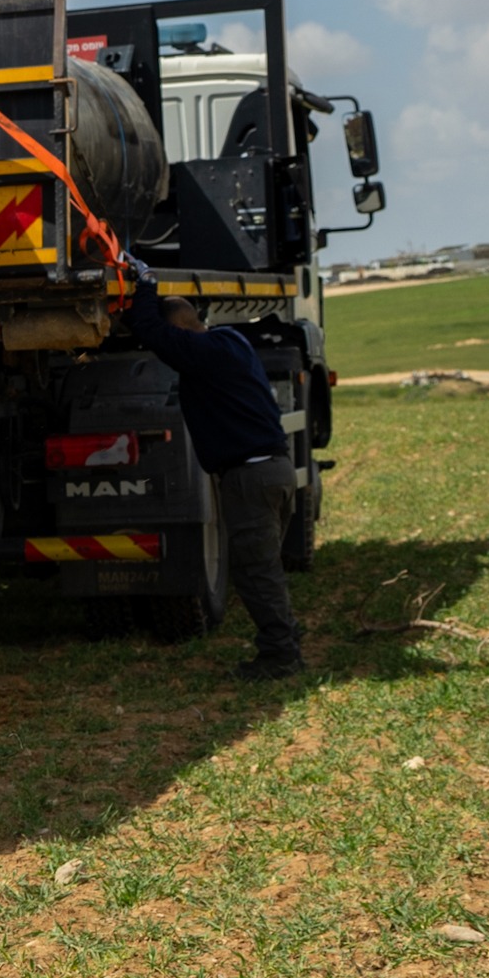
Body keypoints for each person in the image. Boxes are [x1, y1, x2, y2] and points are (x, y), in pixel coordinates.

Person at [122, 263, 303, 679]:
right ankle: (286, 640)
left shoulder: (207, 354)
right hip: (273, 470)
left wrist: (144, 286)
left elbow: (155, 334)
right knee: (265, 567)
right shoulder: (230, 342)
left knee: (257, 571)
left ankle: (280, 655)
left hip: (251, 477)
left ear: (184, 329)